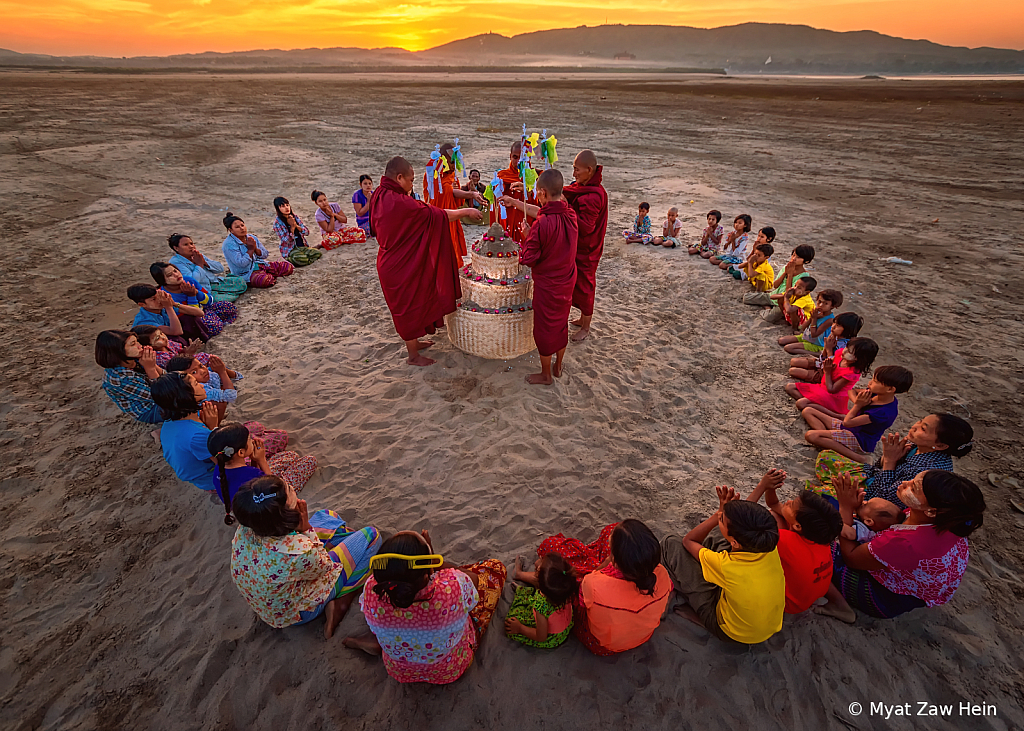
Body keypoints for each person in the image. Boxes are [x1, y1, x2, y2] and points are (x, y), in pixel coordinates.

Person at [818, 471, 985, 622]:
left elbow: (852, 558)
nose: (905, 483)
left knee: (815, 543)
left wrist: (845, 507)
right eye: (914, 480)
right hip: (911, 593)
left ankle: (839, 605)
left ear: (932, 511)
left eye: (915, 488)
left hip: (883, 599)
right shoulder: (950, 524)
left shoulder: (906, 542)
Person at [343, 529, 507, 683]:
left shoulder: (372, 589)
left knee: (392, 627)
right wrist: (434, 560)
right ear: (428, 571)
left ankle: (380, 645)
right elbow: (474, 579)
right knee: (495, 568)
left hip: (399, 671)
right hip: (449, 670)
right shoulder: (451, 587)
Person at [230, 475, 382, 637]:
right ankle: (341, 602)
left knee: (326, 515)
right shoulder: (298, 551)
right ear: (286, 508)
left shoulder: (248, 527)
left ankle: (348, 545)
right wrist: (306, 529)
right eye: (289, 488)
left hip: (271, 608)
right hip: (298, 613)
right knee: (372, 536)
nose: (292, 488)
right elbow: (326, 567)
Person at [369, 156, 481, 367]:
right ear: (399, 177)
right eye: (411, 181)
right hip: (397, 265)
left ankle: (415, 343)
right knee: (407, 308)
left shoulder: (380, 194)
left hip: (391, 258)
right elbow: (436, 214)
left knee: (415, 300)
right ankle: (413, 356)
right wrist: (466, 211)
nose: (412, 185)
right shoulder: (398, 202)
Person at [660, 486, 785, 645]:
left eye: (722, 518)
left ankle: (703, 617)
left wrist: (717, 514)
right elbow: (744, 527)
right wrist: (726, 513)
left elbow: (688, 541)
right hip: (766, 629)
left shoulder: (727, 566)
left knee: (670, 543)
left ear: (735, 542)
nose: (720, 516)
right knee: (718, 535)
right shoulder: (767, 546)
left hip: (730, 632)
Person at [539, 520, 672, 655]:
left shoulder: (594, 584)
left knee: (552, 553)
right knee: (615, 530)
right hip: (643, 636)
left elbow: (583, 592)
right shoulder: (662, 575)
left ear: (614, 561)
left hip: (602, 645)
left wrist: (604, 564)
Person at [502, 168, 578, 385]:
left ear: (543, 193)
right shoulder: (570, 214)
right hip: (567, 280)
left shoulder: (542, 224)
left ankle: (545, 375)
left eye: (537, 193)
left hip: (548, 285)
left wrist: (527, 236)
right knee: (561, 323)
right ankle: (559, 365)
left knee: (545, 328)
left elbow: (529, 258)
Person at [810, 413, 974, 510]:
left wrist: (889, 461)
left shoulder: (926, 472)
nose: (915, 427)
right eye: (920, 422)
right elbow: (878, 467)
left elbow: (884, 499)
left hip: (881, 500)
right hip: (877, 479)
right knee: (827, 457)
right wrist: (887, 459)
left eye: (923, 429)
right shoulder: (916, 445)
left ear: (940, 445)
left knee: (819, 496)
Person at [746, 469, 843, 614]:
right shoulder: (820, 536)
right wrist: (771, 488)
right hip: (813, 593)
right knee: (775, 515)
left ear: (798, 526)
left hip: (790, 604)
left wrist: (761, 486)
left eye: (792, 505)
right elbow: (774, 504)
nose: (789, 501)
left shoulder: (784, 541)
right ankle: (842, 606)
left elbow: (738, 515)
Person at [207, 422, 317, 525]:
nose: (253, 440)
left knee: (290, 456)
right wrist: (262, 460)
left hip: (249, 503)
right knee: (309, 461)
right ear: (241, 452)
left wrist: (255, 460)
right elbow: (278, 487)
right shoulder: (252, 474)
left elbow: (252, 479)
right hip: (267, 501)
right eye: (249, 439)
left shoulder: (219, 469)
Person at [802, 365, 914, 464]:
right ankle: (829, 441)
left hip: (859, 439)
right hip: (849, 428)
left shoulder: (883, 412)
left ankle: (860, 458)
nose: (870, 382)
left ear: (890, 389)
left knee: (811, 435)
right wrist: (857, 401)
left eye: (875, 381)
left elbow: (848, 422)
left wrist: (858, 406)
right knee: (808, 410)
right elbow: (852, 391)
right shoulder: (875, 393)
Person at [563, 149, 608, 343]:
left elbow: (586, 227)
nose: (574, 175)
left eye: (577, 170)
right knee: (576, 283)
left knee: (586, 285)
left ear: (589, 170)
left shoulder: (595, 195)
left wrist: (566, 206)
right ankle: (582, 319)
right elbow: (569, 190)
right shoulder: (584, 186)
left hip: (588, 249)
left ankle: (587, 326)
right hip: (579, 247)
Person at [150, 371, 220, 491]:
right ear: (184, 395)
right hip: (213, 479)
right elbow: (225, 463)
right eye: (196, 384)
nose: (202, 386)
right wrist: (213, 429)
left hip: (199, 477)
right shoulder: (196, 435)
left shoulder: (170, 422)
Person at [785, 336, 878, 416]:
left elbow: (832, 389)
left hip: (834, 397)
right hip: (822, 387)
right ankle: (815, 404)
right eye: (847, 347)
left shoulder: (852, 373)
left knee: (801, 403)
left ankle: (832, 413)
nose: (844, 351)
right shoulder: (840, 354)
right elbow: (827, 361)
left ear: (858, 358)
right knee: (790, 387)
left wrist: (827, 371)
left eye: (849, 352)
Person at [424, 142, 485, 259]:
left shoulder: (452, 176)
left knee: (452, 249)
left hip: (452, 217)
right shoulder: (433, 175)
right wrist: (471, 194)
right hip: (438, 217)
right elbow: (448, 191)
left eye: (455, 163)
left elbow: (456, 197)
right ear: (443, 159)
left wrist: (470, 193)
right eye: (451, 162)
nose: (453, 166)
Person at [504, 553, 577, 649]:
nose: (537, 567)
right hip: (563, 626)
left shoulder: (541, 606)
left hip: (552, 638)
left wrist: (520, 628)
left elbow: (541, 637)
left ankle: (521, 591)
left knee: (511, 621)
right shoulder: (566, 588)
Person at [150, 262, 239, 338]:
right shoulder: (165, 295)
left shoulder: (188, 280)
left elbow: (209, 301)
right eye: (170, 275)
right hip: (190, 319)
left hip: (203, 310)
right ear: (162, 280)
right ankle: (216, 320)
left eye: (175, 271)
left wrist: (196, 292)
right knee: (211, 325)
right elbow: (194, 314)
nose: (176, 275)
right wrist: (191, 296)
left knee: (228, 306)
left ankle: (216, 318)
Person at [95, 330, 164, 423]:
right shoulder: (120, 379)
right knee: (186, 404)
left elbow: (166, 376)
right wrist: (150, 368)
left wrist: (153, 365)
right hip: (149, 409)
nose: (140, 346)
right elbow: (160, 396)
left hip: (158, 394)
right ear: (118, 352)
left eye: (137, 341)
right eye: (133, 344)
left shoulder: (133, 360)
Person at [743, 245, 815, 323]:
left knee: (769, 317)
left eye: (798, 257)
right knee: (746, 298)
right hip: (774, 295)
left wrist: (790, 275)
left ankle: (767, 308)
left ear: (806, 261)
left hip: (784, 302)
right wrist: (785, 272)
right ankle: (767, 304)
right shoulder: (785, 268)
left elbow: (789, 293)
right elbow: (776, 285)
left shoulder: (804, 277)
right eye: (793, 255)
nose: (793, 259)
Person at [167, 233, 247, 303]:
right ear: (176, 248)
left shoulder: (197, 255)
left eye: (191, 243)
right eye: (186, 245)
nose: (191, 247)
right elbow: (193, 280)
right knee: (221, 300)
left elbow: (220, 268)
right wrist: (199, 265)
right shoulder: (176, 262)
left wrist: (205, 262)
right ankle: (227, 294)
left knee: (241, 282)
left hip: (214, 282)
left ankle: (228, 292)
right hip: (203, 289)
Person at [221, 213, 294, 288]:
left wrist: (255, 248)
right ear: (231, 230)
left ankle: (265, 273)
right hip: (245, 273)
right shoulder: (229, 244)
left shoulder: (251, 237)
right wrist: (250, 250)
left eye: (242, 225)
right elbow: (241, 263)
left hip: (259, 265)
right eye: (237, 227)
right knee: (266, 280)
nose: (242, 228)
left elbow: (265, 254)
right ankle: (260, 277)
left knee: (288, 267)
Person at [788, 311, 863, 382]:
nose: (833, 327)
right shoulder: (834, 337)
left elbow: (834, 366)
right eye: (834, 323)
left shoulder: (845, 347)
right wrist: (826, 348)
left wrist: (829, 350)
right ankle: (814, 369)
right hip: (822, 363)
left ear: (848, 330)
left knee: (793, 371)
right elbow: (823, 356)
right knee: (793, 361)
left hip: (828, 373)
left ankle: (816, 377)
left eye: (838, 326)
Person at [165, 354, 239, 421]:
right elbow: (231, 396)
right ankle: (215, 424)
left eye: (201, 366)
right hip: (193, 419)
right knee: (220, 402)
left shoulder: (207, 374)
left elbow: (238, 377)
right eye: (194, 372)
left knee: (223, 386)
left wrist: (223, 369)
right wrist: (222, 372)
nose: (202, 371)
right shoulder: (196, 388)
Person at [491, 141, 534, 245]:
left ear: (529, 158)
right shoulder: (501, 176)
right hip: (508, 222)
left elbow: (540, 204)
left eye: (522, 158)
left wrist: (528, 191)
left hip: (526, 224)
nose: (519, 161)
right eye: (515, 157)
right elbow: (495, 206)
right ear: (510, 156)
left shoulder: (535, 178)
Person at [778, 289, 841, 355]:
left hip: (817, 344)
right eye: (819, 301)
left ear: (833, 306)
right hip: (807, 337)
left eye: (826, 303)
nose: (821, 305)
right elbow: (803, 328)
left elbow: (814, 334)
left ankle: (817, 353)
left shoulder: (830, 320)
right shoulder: (817, 313)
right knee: (781, 340)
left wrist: (814, 319)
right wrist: (811, 317)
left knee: (788, 348)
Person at [127, 284, 196, 343]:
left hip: (174, 335)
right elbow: (176, 332)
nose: (159, 300)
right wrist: (169, 307)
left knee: (189, 318)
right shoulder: (144, 320)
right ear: (142, 304)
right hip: (156, 345)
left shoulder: (161, 307)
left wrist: (173, 304)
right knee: (174, 338)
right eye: (154, 299)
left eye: (158, 297)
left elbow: (199, 313)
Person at [130, 324, 207, 369]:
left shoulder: (167, 343)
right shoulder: (159, 358)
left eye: (161, 333)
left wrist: (187, 350)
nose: (163, 337)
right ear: (149, 346)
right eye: (157, 338)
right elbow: (178, 368)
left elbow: (180, 351)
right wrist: (188, 354)